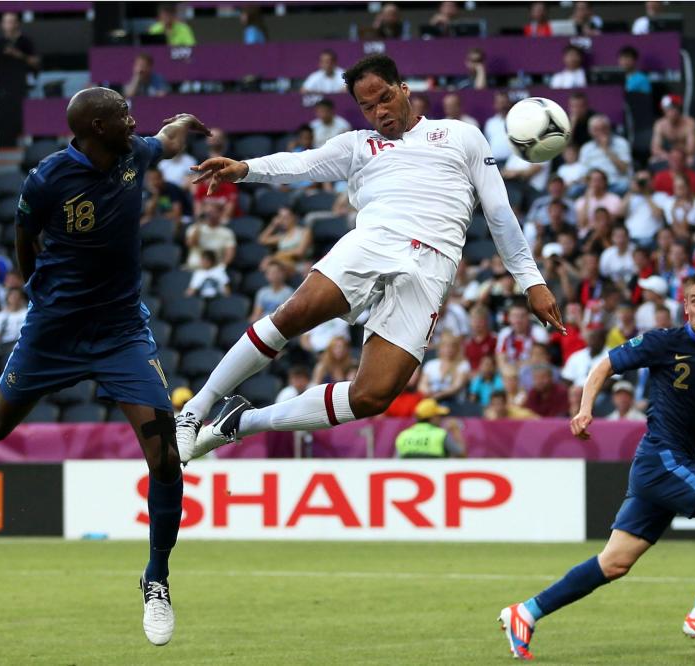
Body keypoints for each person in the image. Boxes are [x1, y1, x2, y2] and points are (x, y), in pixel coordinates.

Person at [175, 54, 562, 463]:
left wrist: (531, 280)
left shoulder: (461, 136)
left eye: (384, 98)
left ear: (404, 89)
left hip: (432, 268)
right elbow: (302, 163)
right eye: (367, 106)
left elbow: (499, 212)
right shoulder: (358, 145)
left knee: (371, 396)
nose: (379, 111)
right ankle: (194, 412)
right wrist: (245, 168)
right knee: (293, 313)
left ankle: (241, 422)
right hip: (374, 242)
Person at [0, 87, 210, 646]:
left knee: (164, 452)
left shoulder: (135, 153)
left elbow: (169, 138)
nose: (133, 121)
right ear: (93, 127)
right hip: (55, 328)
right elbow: (22, 234)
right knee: (3, 421)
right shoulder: (47, 179)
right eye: (122, 115)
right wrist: (34, 284)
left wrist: (183, 122)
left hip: (121, 332)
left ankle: (156, 577)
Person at [498, 271, 695, 659]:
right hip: (661, 460)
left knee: (614, 563)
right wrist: (584, 411)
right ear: (684, 306)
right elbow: (604, 367)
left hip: (669, 466)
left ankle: (526, 612)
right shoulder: (663, 342)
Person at [394, 398, 465, 458]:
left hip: (409, 473)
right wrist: (455, 430)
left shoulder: (403, 436)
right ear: (433, 418)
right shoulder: (440, 435)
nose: (441, 419)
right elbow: (462, 455)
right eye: (439, 415)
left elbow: (395, 464)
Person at [579, 116, 632, 195]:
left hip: (616, 182)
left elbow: (624, 169)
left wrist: (606, 148)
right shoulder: (586, 148)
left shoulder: (621, 143)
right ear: (590, 132)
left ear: (609, 128)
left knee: (625, 186)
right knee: (575, 190)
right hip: (594, 185)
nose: (600, 132)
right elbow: (584, 174)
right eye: (596, 129)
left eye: (603, 128)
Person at [257, 206, 312, 275]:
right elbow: (262, 240)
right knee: (272, 267)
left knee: (272, 265)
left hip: (300, 266)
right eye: (281, 218)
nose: (283, 221)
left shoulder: (304, 232)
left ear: (294, 217)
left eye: (286, 217)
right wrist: (273, 225)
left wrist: (278, 256)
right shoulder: (282, 236)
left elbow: (299, 252)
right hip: (282, 266)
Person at [650, 95, 695, 166]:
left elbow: (692, 149)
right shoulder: (660, 124)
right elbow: (655, 148)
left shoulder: (689, 123)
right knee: (652, 161)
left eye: (675, 108)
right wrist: (668, 156)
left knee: (690, 160)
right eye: (669, 109)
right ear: (663, 110)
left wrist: (676, 156)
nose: (673, 111)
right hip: (668, 155)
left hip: (687, 155)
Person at [419, 334, 470, 403]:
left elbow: (457, 386)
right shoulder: (430, 364)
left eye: (452, 346)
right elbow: (422, 385)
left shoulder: (463, 364)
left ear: (457, 349)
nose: (449, 349)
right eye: (446, 346)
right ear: (440, 348)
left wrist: (440, 394)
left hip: (454, 402)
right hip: (431, 400)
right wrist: (428, 392)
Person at [185, 201, 235, 269]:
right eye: (207, 212)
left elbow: (229, 254)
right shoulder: (194, 228)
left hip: (214, 268)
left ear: (220, 213)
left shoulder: (227, 232)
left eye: (213, 212)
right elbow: (191, 244)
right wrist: (198, 226)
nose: (209, 215)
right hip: (194, 267)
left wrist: (220, 268)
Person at [622, 170, 665, 247]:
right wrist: (631, 191)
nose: (641, 183)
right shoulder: (630, 197)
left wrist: (646, 194)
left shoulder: (660, 196)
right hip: (631, 239)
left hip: (652, 239)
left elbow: (658, 214)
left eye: (644, 181)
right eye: (639, 181)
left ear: (652, 181)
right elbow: (620, 213)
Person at [0, 287, 27, 352]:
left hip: (22, 346)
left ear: (22, 299)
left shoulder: (27, 314)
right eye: (13, 296)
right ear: (7, 298)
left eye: (17, 297)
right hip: (4, 347)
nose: (15, 299)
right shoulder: (0, 316)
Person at [483, 91, 512, 164]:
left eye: (505, 102)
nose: (503, 106)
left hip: (512, 163)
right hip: (494, 163)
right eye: (500, 103)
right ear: (495, 105)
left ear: (509, 103)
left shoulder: (516, 121)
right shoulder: (490, 123)